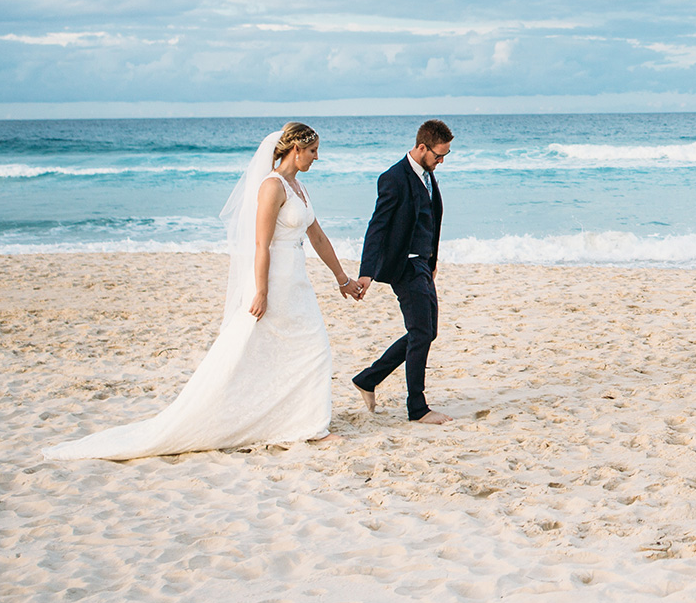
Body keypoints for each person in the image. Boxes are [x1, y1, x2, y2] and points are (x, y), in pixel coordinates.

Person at [46, 122, 357, 461]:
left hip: (298, 280)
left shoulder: (299, 188)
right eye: (312, 152)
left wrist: (342, 278)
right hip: (275, 281)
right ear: (295, 150)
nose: (316, 158)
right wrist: (261, 290)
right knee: (265, 349)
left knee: (310, 349)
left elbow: (319, 237)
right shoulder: (273, 186)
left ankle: (304, 423)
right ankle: (309, 428)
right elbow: (260, 244)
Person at [350, 119, 455, 424]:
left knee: (426, 331)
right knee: (422, 332)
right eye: (438, 155)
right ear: (422, 147)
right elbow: (378, 226)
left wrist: (432, 261)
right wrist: (366, 272)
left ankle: (368, 379)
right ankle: (417, 408)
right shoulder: (393, 178)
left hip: (422, 264)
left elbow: (430, 221)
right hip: (404, 266)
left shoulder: (427, 176)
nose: (441, 161)